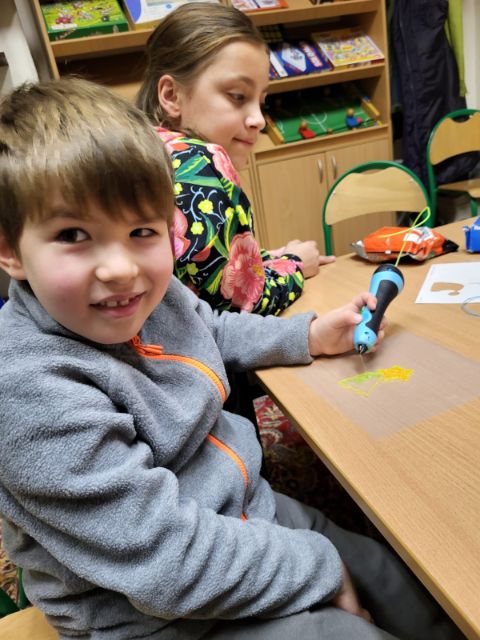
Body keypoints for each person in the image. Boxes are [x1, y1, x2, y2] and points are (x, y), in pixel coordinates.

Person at [0, 78, 463, 640]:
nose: (122, 268)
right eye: (74, 234)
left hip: (243, 508)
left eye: (142, 231)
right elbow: (167, 563)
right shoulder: (27, 390)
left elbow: (209, 328)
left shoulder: (148, 294)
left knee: (405, 586)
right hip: (153, 614)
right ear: (10, 249)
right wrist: (318, 568)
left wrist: (310, 336)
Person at [136, 2, 335, 317]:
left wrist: (269, 260)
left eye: (261, 101)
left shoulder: (143, 147)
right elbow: (242, 303)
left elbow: (202, 270)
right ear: (172, 95)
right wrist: (296, 264)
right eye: (237, 96)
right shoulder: (199, 159)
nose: (259, 119)